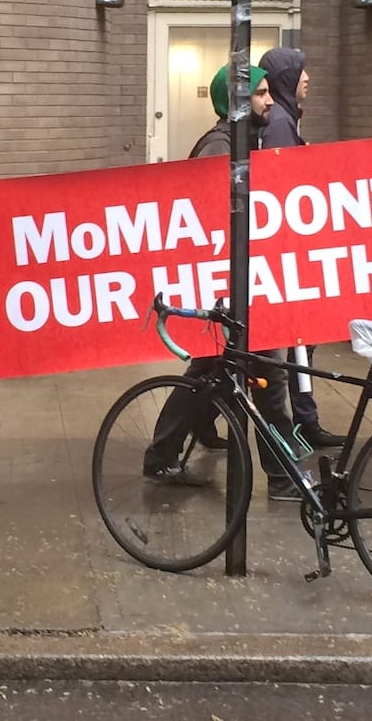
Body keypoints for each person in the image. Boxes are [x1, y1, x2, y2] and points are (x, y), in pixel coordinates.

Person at [141, 63, 304, 501]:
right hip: (235, 289)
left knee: (212, 372)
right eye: (260, 94)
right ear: (234, 101)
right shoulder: (219, 148)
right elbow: (209, 219)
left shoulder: (241, 142)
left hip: (245, 284)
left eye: (270, 92)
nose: (269, 101)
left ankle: (163, 453)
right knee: (266, 379)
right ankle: (286, 479)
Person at [255, 47, 345, 448]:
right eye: (301, 71)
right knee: (296, 342)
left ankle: (195, 420)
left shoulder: (284, 119)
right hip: (286, 254)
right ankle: (303, 424)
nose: (308, 77)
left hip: (288, 251)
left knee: (297, 343)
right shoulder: (278, 124)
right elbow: (281, 188)